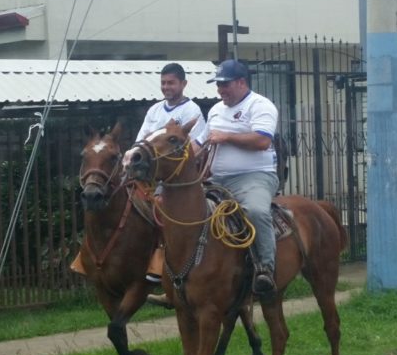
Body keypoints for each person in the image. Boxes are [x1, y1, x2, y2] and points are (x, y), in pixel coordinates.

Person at [71, 63, 206, 286]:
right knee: (110, 197)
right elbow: (140, 142)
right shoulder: (154, 110)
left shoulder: (192, 111)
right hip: (144, 174)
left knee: (161, 210)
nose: (166, 87)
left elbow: (194, 149)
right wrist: (130, 157)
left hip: (172, 178)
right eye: (163, 83)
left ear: (183, 84)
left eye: (171, 82)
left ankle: (159, 258)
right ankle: (86, 253)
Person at [196, 59, 279, 296]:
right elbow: (199, 143)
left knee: (255, 211)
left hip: (255, 177)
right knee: (183, 210)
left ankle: (265, 269)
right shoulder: (215, 110)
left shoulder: (260, 105)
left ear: (241, 82)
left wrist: (226, 137)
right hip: (216, 180)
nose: (220, 90)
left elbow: (263, 141)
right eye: (218, 85)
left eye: (225, 84)